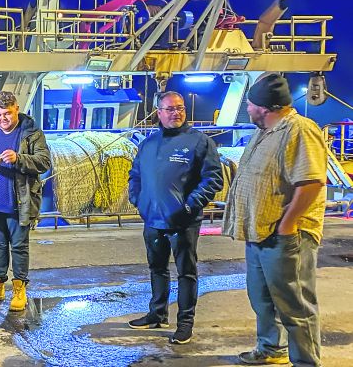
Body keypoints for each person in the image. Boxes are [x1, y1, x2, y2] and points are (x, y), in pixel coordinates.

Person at [223, 74, 326, 366]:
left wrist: (287, 225)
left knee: (295, 305)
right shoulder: (265, 130)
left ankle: (306, 361)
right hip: (261, 232)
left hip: (286, 236)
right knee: (262, 298)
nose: (248, 107)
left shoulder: (300, 130)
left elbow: (311, 182)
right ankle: (271, 348)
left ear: (264, 106)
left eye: (250, 103)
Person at [127, 91, 223, 344]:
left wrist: (190, 206)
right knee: (157, 268)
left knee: (186, 273)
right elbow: (135, 175)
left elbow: (213, 178)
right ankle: (157, 313)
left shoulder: (199, 142)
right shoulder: (148, 144)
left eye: (180, 108)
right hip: (152, 220)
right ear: (158, 112)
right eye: (170, 109)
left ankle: (185, 323)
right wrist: (138, 200)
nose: (176, 113)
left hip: (183, 221)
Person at [0, 91, 51, 311]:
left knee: (19, 247)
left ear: (17, 109)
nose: (2, 118)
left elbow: (44, 162)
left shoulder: (31, 133)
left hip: (20, 203)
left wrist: (19, 158)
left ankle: (19, 290)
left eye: (7, 113)